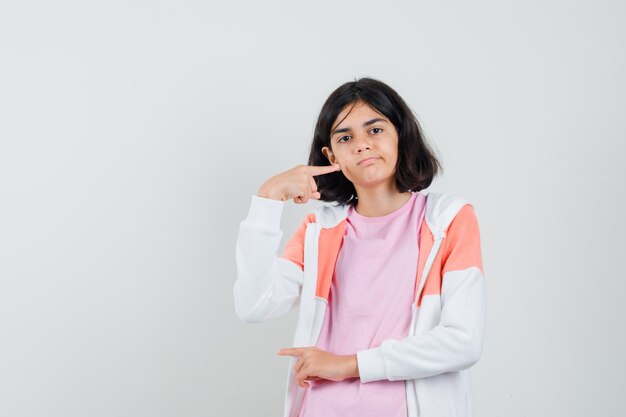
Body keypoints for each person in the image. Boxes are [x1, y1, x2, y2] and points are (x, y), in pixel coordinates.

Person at [234, 77, 486, 417]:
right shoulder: (319, 231)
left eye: (376, 130)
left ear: (401, 135)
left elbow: (463, 342)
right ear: (330, 154)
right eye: (345, 137)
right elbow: (254, 305)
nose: (362, 145)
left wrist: (348, 365)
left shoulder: (449, 219)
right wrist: (267, 201)